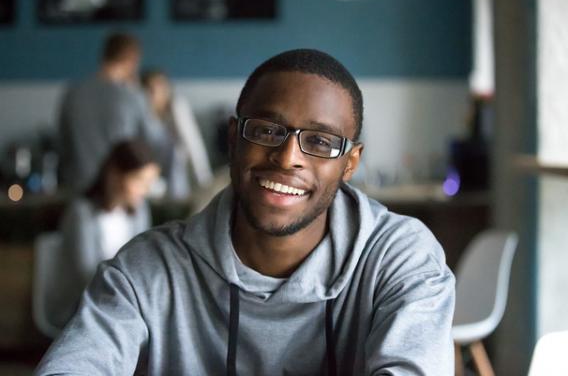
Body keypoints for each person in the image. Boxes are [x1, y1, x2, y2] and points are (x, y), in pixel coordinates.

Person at [36, 49, 455, 375]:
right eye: (267, 131)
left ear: (350, 163)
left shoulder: (401, 258)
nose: (287, 157)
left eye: (321, 142)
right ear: (234, 139)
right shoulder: (146, 270)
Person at [48, 140, 160, 330]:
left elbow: (142, 260)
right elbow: (84, 275)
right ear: (115, 175)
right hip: (84, 304)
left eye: (149, 183)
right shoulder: (80, 213)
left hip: (124, 301)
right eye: (139, 180)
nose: (146, 190)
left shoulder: (140, 211)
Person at [58, 32, 170, 192]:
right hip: (120, 192)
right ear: (133, 61)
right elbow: (157, 141)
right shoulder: (133, 96)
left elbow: (63, 146)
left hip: (79, 190)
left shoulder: (72, 94)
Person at [141, 69, 213, 198]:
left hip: (176, 172)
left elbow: (193, 145)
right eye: (150, 89)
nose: (155, 94)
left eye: (159, 88)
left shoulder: (177, 107)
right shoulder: (141, 113)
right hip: (150, 173)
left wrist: (204, 181)